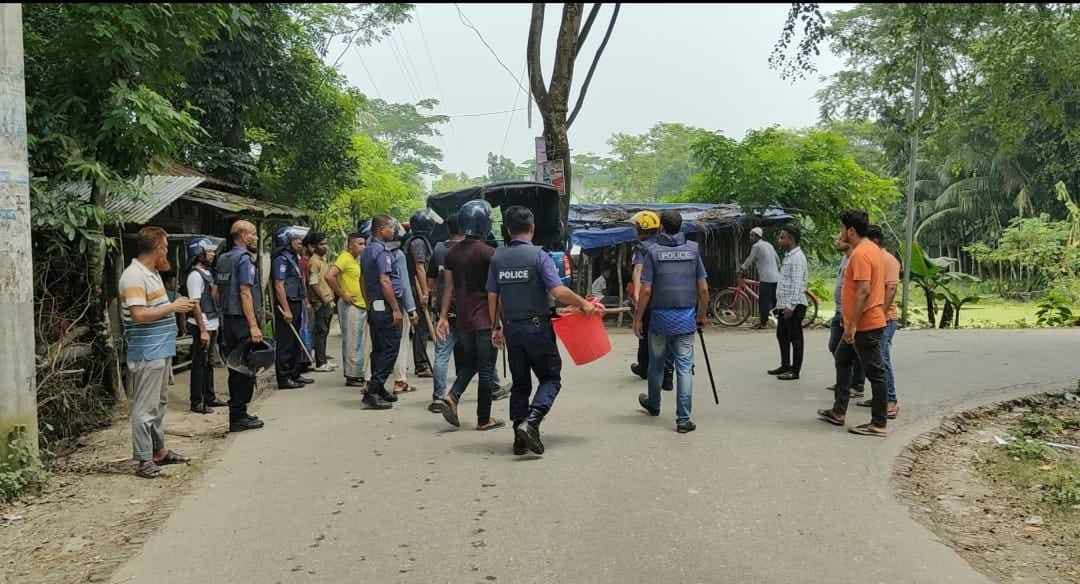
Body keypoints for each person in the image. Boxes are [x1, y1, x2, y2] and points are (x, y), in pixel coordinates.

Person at [488, 205, 597, 455]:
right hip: (537, 328)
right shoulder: (539, 256)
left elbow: (493, 296)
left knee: (520, 384)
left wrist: (496, 327)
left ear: (507, 229)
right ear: (532, 228)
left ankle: (519, 436)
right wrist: (583, 303)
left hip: (512, 330)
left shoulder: (497, 258)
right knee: (550, 378)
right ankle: (532, 421)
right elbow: (557, 292)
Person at [119, 227, 195, 478]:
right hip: (147, 352)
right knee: (145, 408)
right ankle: (143, 459)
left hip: (160, 350)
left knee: (158, 404)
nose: (166, 252)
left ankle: (158, 451)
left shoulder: (151, 274)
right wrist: (173, 306)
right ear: (156, 248)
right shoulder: (133, 276)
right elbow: (139, 315)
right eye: (164, 247)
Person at [634, 210, 709, 434]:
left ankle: (654, 404)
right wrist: (701, 315)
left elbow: (646, 291)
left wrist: (638, 319)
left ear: (661, 228)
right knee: (684, 368)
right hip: (686, 319)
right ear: (681, 227)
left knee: (656, 364)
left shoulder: (653, 253)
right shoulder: (693, 251)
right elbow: (704, 289)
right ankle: (683, 419)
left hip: (659, 320)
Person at [816, 209, 890, 437]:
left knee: (875, 373)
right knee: (842, 357)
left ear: (850, 230)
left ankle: (878, 423)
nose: (840, 234)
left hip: (865, 324)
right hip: (863, 322)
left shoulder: (860, 254)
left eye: (841, 229)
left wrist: (851, 325)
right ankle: (838, 411)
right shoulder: (871, 250)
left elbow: (863, 291)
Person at [436, 200, 503, 431]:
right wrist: (498, 323)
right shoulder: (489, 253)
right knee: (485, 368)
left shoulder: (453, 253)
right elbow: (496, 291)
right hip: (485, 318)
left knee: (472, 362)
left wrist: (443, 317)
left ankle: (452, 396)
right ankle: (484, 419)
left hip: (463, 320)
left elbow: (448, 288)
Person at [215, 220, 267, 432]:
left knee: (234, 367)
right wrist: (253, 325)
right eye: (253, 234)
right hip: (242, 320)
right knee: (246, 368)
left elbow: (216, 292)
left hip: (227, 320)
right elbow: (245, 292)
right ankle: (239, 416)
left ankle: (237, 414)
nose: (255, 238)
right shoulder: (244, 260)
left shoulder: (223, 259)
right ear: (244, 235)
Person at [360, 215, 404, 410]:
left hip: (375, 304)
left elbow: (362, 279)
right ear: (381, 229)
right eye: (391, 228)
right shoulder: (382, 251)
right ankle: (373, 389)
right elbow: (385, 281)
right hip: (386, 306)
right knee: (390, 348)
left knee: (379, 348)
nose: (393, 232)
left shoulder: (367, 250)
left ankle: (378, 388)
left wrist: (369, 301)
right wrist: (395, 308)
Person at [857, 225, 900, 419]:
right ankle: (879, 398)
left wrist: (880, 315)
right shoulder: (873, 258)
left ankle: (891, 400)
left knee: (882, 359)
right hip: (874, 319)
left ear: (874, 240)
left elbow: (891, 289)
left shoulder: (888, 260)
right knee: (873, 361)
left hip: (885, 318)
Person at [628, 210, 673, 391]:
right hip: (667, 296)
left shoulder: (642, 247)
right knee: (668, 335)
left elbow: (638, 270)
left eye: (636, 226)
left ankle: (644, 367)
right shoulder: (666, 244)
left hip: (649, 295)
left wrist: (638, 296)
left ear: (642, 228)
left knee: (644, 331)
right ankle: (668, 373)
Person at [427, 213, 466, 412]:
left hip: (445, 310)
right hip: (467, 310)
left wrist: (434, 300)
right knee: (469, 353)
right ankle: (456, 393)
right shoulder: (470, 249)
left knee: (442, 353)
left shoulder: (439, 249)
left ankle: (438, 397)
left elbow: (431, 281)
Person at [184, 237, 225, 414]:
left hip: (212, 322)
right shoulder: (194, 276)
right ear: (198, 254)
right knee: (199, 363)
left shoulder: (208, 273)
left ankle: (210, 396)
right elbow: (195, 304)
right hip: (202, 324)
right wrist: (203, 330)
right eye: (208, 251)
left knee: (208, 363)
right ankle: (197, 401)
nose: (213, 254)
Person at [271, 226, 312, 390]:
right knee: (286, 341)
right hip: (287, 303)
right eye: (297, 240)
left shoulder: (294, 257)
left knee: (296, 340)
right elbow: (279, 285)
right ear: (287, 240)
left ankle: (295, 373)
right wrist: (286, 309)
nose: (301, 243)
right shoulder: (281, 259)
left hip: (296, 300)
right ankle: (284, 377)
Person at [826, 232, 866, 398]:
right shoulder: (845, 258)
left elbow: (862, 290)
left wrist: (851, 318)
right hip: (839, 309)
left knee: (851, 351)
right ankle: (845, 381)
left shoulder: (856, 258)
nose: (836, 241)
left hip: (848, 312)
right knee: (835, 347)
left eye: (840, 239)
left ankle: (856, 384)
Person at [327, 233, 369, 389]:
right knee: (352, 341)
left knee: (358, 341)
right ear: (350, 245)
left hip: (360, 304)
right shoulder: (344, 257)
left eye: (364, 243)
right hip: (351, 305)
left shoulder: (356, 260)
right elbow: (329, 276)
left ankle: (356, 372)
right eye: (359, 243)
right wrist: (342, 294)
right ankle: (352, 375)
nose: (363, 247)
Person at [770, 225, 809, 381]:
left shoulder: (798, 258)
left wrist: (791, 306)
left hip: (794, 305)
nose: (779, 240)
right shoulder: (789, 256)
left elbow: (797, 283)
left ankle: (795, 370)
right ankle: (785, 365)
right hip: (784, 304)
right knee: (782, 335)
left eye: (782, 237)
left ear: (790, 239)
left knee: (795, 338)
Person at [404, 209, 439, 378]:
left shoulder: (417, 240)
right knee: (422, 328)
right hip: (416, 289)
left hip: (417, 287)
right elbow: (420, 267)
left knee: (423, 327)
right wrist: (425, 292)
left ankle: (421, 362)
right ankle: (421, 364)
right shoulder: (418, 243)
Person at [390, 225, 421, 394]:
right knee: (401, 342)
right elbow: (405, 284)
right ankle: (400, 381)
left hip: (375, 305)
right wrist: (411, 308)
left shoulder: (369, 252)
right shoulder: (398, 255)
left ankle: (368, 381)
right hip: (398, 303)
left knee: (375, 345)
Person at [304, 232, 336, 372]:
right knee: (321, 331)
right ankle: (320, 362)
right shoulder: (314, 262)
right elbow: (313, 283)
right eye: (322, 244)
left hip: (327, 299)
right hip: (321, 301)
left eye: (326, 243)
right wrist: (323, 299)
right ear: (313, 246)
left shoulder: (322, 261)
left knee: (324, 331)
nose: (325, 247)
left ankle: (322, 360)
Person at [740, 226, 781, 329]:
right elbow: (777, 259)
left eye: (751, 235)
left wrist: (742, 268)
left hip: (766, 278)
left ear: (757, 236)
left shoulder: (756, 246)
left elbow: (750, 259)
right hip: (776, 277)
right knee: (775, 300)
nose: (750, 237)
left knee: (763, 301)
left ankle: (763, 323)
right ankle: (780, 321)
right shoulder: (769, 245)